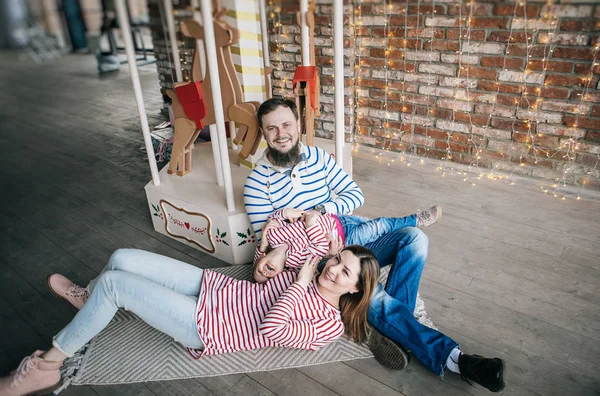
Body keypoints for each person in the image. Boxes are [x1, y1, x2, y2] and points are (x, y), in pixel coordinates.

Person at [243, 97, 505, 393]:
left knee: (415, 237)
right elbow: (269, 250)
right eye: (272, 128)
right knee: (372, 290)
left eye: (287, 124)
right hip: (319, 263)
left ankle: (394, 330)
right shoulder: (256, 184)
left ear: (299, 125)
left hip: (346, 235)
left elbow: (355, 196)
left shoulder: (319, 158)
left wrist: (321, 210)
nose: (281, 134)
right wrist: (324, 257)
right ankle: (456, 359)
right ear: (263, 133)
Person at [0, 246, 379, 396]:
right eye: (335, 260)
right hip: (214, 287)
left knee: (115, 286)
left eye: (345, 273)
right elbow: (287, 237)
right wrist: (276, 256)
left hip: (206, 326)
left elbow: (273, 330)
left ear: (354, 290)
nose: (332, 270)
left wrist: (297, 283)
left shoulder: (328, 323)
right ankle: (88, 303)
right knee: (121, 258)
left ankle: (47, 366)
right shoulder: (312, 267)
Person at [252, 205, 442, 284]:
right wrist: (310, 224)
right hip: (345, 241)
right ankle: (415, 219)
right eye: (268, 277)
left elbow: (275, 217)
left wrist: (285, 213)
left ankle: (408, 228)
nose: (265, 273)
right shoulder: (297, 261)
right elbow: (320, 247)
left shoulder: (273, 234)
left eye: (259, 271)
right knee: (380, 225)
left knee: (383, 227)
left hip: (338, 221)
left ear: (260, 258)